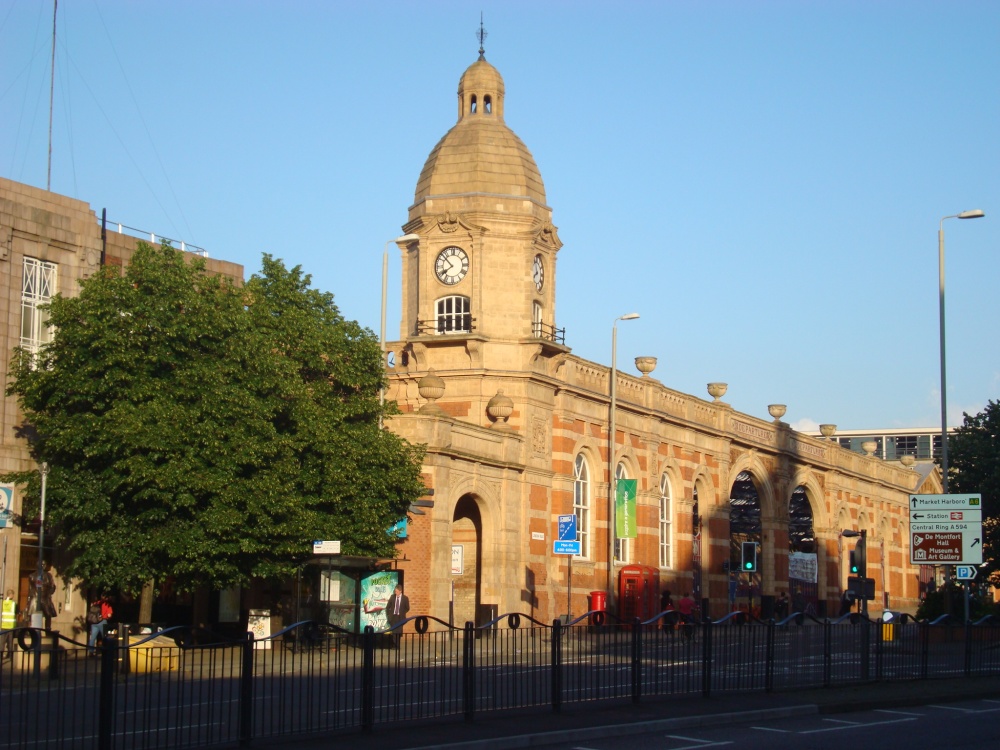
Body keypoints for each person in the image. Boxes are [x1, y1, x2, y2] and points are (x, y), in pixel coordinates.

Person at [1, 590, 16, 661]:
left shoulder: (3, 602)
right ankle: (10, 656)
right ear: (11, 595)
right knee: (10, 642)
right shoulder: (13, 603)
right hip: (10, 626)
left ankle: (1, 655)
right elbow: (16, 612)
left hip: (3, 625)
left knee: (2, 642)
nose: (13, 596)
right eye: (13, 595)